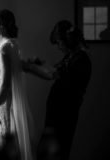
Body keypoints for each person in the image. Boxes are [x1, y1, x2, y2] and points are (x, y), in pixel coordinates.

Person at [25, 20, 92, 160]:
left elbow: (53, 74)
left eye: (59, 43)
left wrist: (27, 68)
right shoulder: (71, 56)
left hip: (64, 118)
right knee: (49, 153)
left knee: (55, 154)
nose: (59, 47)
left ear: (68, 41)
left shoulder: (81, 60)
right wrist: (40, 63)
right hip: (56, 117)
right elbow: (55, 70)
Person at [0, 9, 34, 160]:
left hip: (4, 103)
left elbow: (6, 83)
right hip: (7, 101)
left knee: (6, 144)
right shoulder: (13, 45)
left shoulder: (5, 48)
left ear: (0, 25)